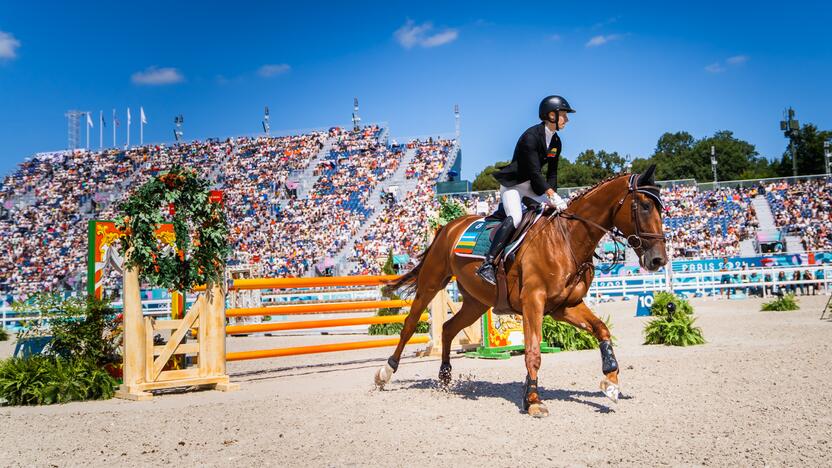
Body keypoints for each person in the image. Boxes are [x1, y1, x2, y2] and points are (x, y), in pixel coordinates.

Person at [476, 95, 574, 285]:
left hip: (532, 187)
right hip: (513, 185)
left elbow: (552, 174)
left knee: (556, 214)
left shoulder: (556, 142)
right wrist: (552, 195)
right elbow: (535, 172)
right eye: (564, 115)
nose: (567, 120)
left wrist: (554, 197)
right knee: (516, 217)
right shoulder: (530, 137)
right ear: (551, 115)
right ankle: (488, 264)